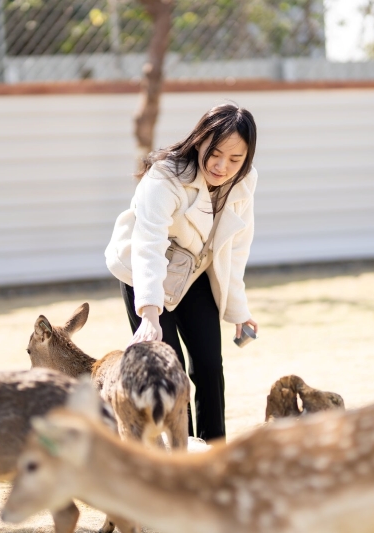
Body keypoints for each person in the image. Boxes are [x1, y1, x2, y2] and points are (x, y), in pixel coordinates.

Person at [105, 103, 259, 442]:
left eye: (235, 160)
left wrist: (239, 310)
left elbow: (234, 248)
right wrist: (149, 314)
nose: (222, 167)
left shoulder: (244, 181)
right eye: (215, 154)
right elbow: (148, 244)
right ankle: (182, 456)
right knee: (170, 371)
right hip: (144, 272)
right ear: (199, 141)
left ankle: (213, 453)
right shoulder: (165, 176)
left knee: (208, 365)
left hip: (194, 271)